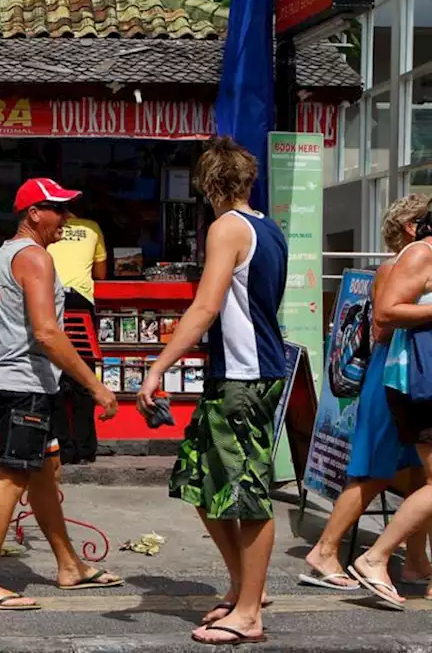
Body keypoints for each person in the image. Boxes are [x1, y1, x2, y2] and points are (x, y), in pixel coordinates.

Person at [136, 138, 287, 645]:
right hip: (243, 374)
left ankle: (248, 613)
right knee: (198, 479)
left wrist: (156, 368)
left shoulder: (227, 228)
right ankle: (247, 587)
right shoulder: (269, 228)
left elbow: (205, 307)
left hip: (245, 376)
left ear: (206, 186)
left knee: (248, 495)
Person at [0, 178, 123, 613]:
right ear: (34, 213)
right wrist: (95, 386)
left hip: (19, 382)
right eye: (58, 209)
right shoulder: (34, 257)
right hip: (24, 387)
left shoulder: (6, 254)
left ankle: (69, 565)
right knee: (12, 477)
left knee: (45, 472)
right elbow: (48, 332)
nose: (66, 218)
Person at [302, 194, 432, 591]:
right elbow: (382, 326)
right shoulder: (397, 266)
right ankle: (326, 549)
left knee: (414, 476)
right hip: (395, 376)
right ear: (411, 228)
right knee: (373, 470)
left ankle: (414, 559)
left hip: (410, 376)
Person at [347, 198, 432, 610]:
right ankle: (374, 556)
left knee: (426, 482)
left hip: (420, 380)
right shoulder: (419, 255)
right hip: (418, 382)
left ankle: (416, 566)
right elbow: (385, 315)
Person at [46, 198, 108, 465]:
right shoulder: (93, 228)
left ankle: (63, 448)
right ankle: (86, 449)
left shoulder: (47, 231)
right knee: (85, 380)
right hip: (82, 306)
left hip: (52, 303)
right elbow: (101, 274)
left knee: (55, 379)